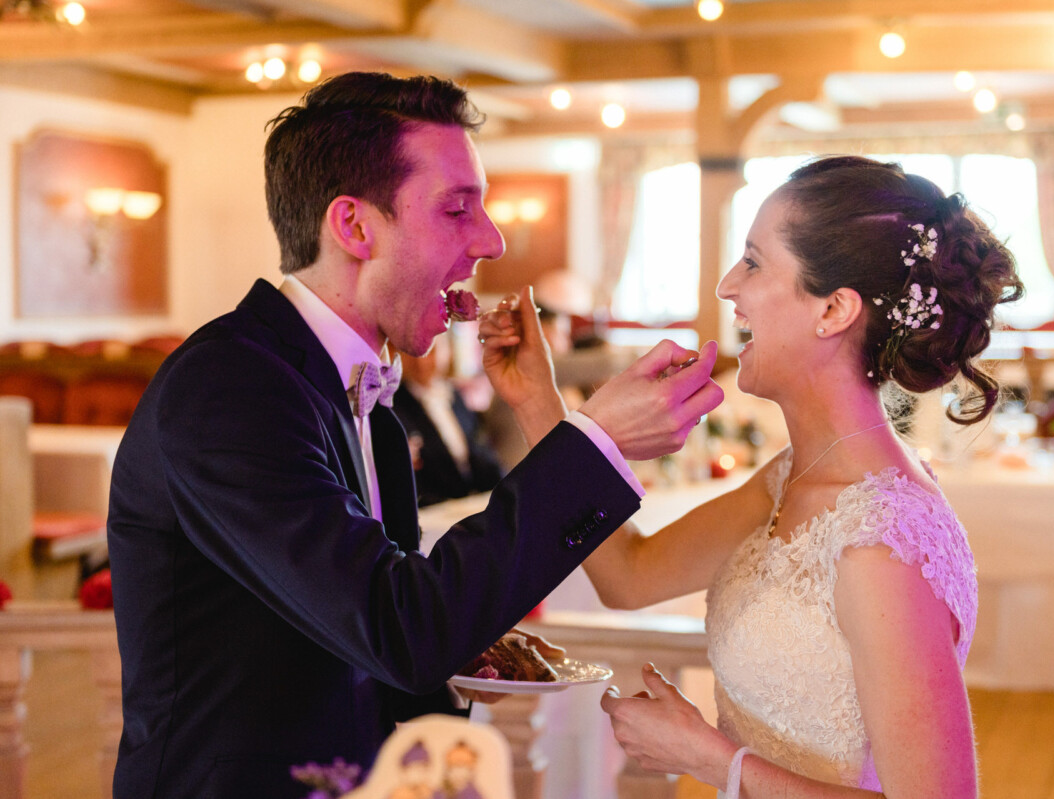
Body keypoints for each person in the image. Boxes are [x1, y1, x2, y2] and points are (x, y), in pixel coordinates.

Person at [106, 71, 723, 799]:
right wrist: (591, 441)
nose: (491, 241)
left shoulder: (366, 402)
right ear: (354, 226)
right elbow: (398, 627)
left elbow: (370, 636)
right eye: (458, 209)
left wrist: (459, 662)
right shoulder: (228, 389)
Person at [583, 155, 1023, 797]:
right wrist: (545, 405)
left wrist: (711, 760)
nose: (727, 285)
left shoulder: (880, 540)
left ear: (835, 309)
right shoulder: (792, 476)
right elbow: (627, 577)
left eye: (755, 262)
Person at [391, 339, 503, 507]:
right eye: (416, 353)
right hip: (434, 508)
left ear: (448, 352)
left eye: (432, 351)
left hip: (472, 503)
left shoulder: (455, 396)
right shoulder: (394, 404)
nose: (422, 361)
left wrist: (506, 488)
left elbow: (479, 450)